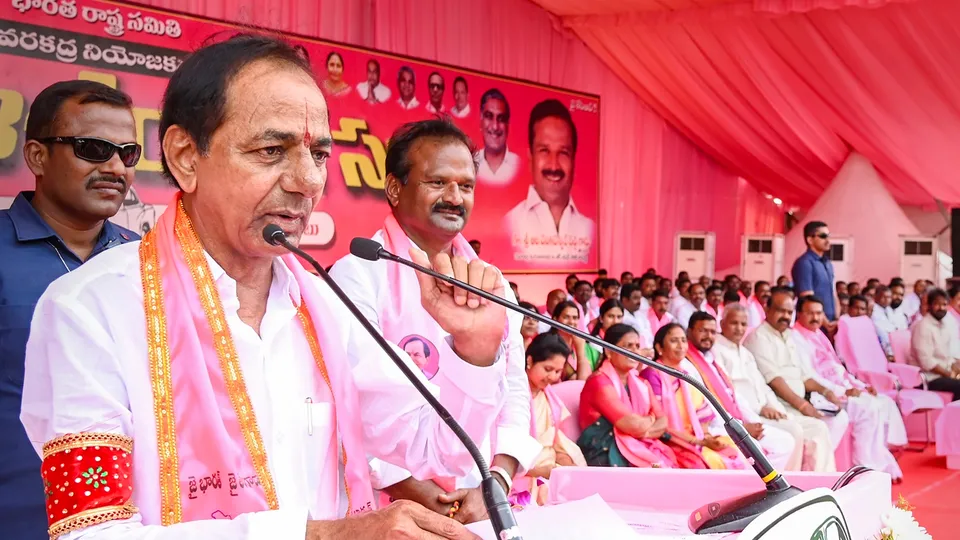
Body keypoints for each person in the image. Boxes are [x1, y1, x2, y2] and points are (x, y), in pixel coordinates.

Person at [22, 35, 505, 539]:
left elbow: (434, 448)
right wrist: (319, 535)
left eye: (318, 154)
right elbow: (87, 534)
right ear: (187, 157)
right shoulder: (90, 309)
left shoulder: (324, 308)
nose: (307, 181)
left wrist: (473, 351)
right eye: (272, 150)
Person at [330, 118, 539, 524]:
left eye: (466, 186)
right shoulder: (358, 274)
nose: (454, 197)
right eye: (437, 182)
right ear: (395, 188)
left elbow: (514, 389)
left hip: (483, 499)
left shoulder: (491, 282)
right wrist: (413, 489)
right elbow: (351, 406)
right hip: (393, 507)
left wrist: (497, 478)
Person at [1, 80, 141, 540]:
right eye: (94, 149)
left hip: (126, 523)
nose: (115, 167)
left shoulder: (149, 262)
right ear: (38, 156)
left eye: (128, 153)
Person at [794, 296, 906, 480]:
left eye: (818, 313)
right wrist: (842, 391)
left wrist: (861, 386)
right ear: (799, 314)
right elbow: (810, 376)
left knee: (883, 402)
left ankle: (880, 462)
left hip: (840, 387)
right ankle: (862, 468)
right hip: (822, 395)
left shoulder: (818, 334)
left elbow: (838, 368)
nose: (815, 317)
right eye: (810, 313)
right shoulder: (797, 337)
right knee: (867, 408)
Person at [714, 305, 835, 472]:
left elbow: (763, 386)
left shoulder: (744, 352)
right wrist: (762, 409)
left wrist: (775, 408)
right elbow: (728, 392)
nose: (740, 328)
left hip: (768, 410)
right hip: (749, 416)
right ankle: (789, 481)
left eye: (743, 324)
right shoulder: (717, 350)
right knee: (794, 431)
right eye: (734, 323)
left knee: (818, 427)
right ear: (722, 323)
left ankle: (821, 479)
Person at [578, 324, 706, 469]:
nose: (634, 351)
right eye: (628, 346)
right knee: (661, 471)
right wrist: (651, 418)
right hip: (605, 452)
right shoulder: (599, 383)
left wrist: (640, 430)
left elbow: (663, 421)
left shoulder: (641, 383)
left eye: (637, 346)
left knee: (692, 463)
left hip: (641, 444)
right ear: (609, 351)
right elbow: (632, 425)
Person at [683, 313, 799, 472]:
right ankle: (757, 489)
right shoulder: (687, 363)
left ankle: (768, 488)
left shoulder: (712, 359)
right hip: (714, 426)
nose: (708, 336)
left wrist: (753, 421)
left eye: (712, 332)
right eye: (703, 330)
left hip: (735, 421)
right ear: (689, 332)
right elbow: (707, 402)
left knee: (785, 441)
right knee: (756, 450)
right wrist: (741, 428)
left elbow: (733, 394)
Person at [743, 290, 851, 458]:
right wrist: (803, 405)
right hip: (781, 406)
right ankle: (816, 476)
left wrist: (827, 392)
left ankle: (814, 468)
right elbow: (774, 381)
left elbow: (804, 376)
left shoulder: (788, 335)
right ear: (767, 309)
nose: (785, 316)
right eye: (781, 310)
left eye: (789, 312)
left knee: (839, 418)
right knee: (818, 429)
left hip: (800, 404)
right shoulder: (759, 338)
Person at [641, 324, 748, 470]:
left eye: (683, 340)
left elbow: (702, 416)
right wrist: (700, 442)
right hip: (670, 441)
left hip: (696, 438)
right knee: (711, 461)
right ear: (659, 348)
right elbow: (659, 423)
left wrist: (708, 438)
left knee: (741, 451)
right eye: (674, 341)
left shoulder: (686, 375)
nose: (680, 346)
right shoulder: (652, 374)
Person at [505, 99, 594, 262]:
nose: (554, 165)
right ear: (530, 156)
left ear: (574, 159)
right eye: (544, 150)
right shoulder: (510, 223)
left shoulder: (590, 228)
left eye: (563, 152)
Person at [519, 333, 586, 504]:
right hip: (522, 474)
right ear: (530, 361)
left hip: (549, 471)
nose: (553, 377)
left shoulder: (548, 398)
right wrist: (546, 471)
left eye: (558, 371)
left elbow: (555, 442)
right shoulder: (514, 396)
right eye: (548, 369)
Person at [911, 289, 960, 401]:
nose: (941, 308)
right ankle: (954, 416)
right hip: (928, 378)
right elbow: (926, 362)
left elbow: (949, 354)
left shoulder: (944, 324)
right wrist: (950, 374)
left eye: (944, 304)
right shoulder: (923, 326)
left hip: (943, 373)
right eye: (937, 304)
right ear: (929, 305)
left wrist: (955, 365)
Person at [792, 221, 837, 332]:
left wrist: (836, 319)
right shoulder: (804, 263)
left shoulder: (827, 263)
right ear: (810, 240)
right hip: (814, 323)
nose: (828, 240)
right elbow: (807, 297)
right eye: (823, 236)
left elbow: (833, 292)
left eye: (828, 236)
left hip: (830, 323)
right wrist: (825, 322)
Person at [474, 89, 518, 185]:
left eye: (501, 119)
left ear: (508, 125)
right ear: (481, 121)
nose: (495, 126)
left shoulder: (518, 165)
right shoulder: (469, 164)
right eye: (489, 116)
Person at [549, 301, 590, 381]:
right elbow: (581, 382)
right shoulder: (550, 344)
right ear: (555, 319)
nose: (571, 322)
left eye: (575, 318)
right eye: (566, 317)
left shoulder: (579, 343)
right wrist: (580, 351)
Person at [871, 285, 909, 357]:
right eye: (884, 297)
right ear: (876, 297)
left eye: (889, 297)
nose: (887, 300)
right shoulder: (873, 311)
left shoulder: (889, 310)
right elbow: (881, 331)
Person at [620, 283, 654, 348]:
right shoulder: (620, 317)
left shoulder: (641, 315)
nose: (639, 302)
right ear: (625, 300)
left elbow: (649, 336)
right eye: (635, 298)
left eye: (639, 298)